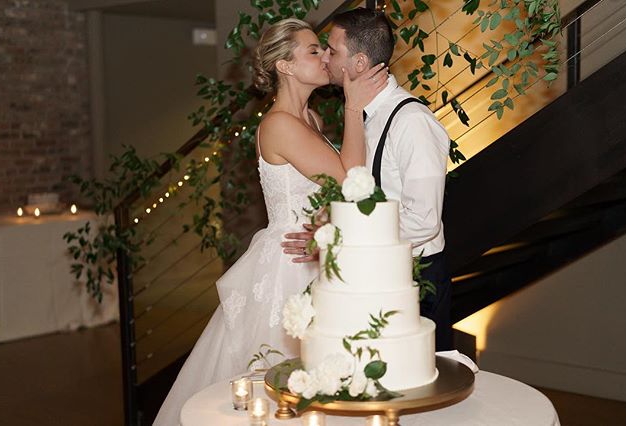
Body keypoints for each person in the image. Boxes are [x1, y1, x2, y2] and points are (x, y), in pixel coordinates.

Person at [153, 18, 387, 425]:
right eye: (314, 50)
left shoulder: (310, 119)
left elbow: (330, 193)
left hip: (312, 253)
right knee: (284, 383)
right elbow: (351, 180)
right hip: (288, 266)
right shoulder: (279, 124)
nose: (325, 56)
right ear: (286, 66)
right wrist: (353, 105)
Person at [282, 8, 453, 351]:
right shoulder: (360, 116)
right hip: (376, 274)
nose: (325, 57)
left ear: (358, 64)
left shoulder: (412, 123)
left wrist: (344, 233)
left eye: (332, 50)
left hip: (415, 280)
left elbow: (424, 220)